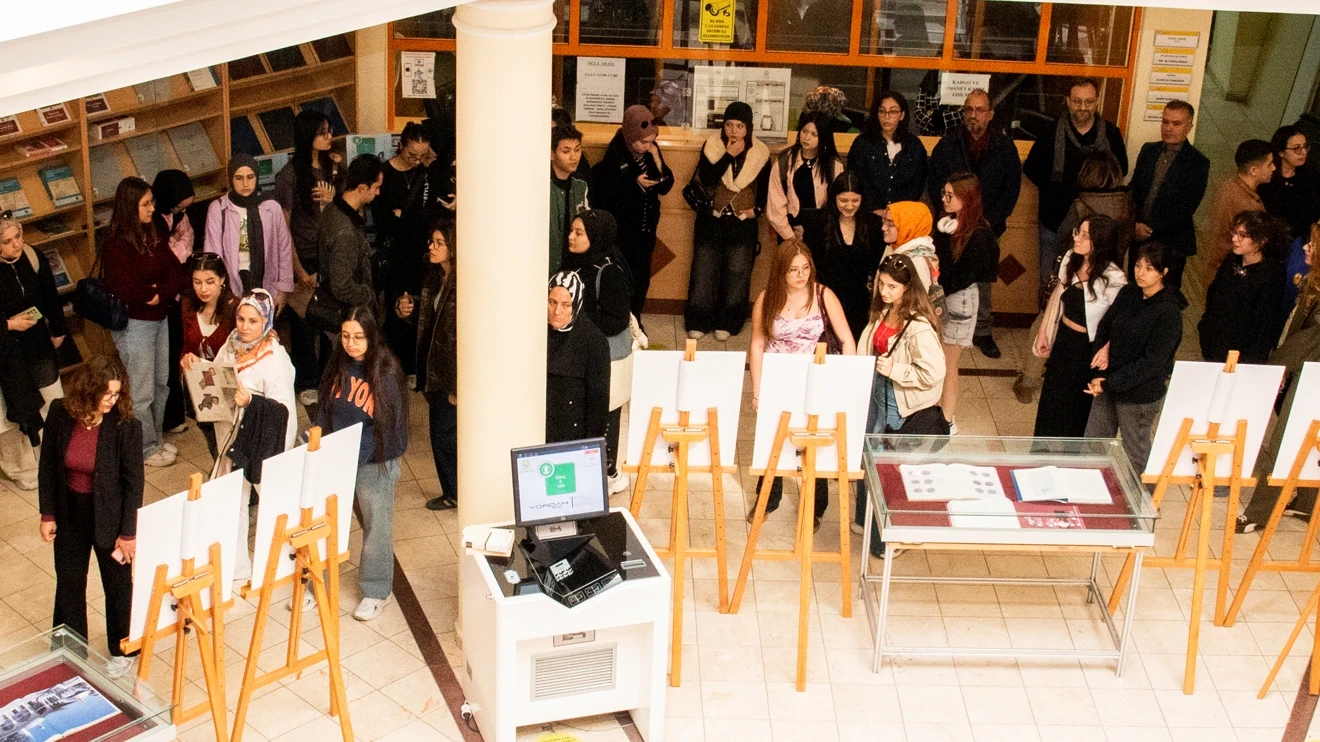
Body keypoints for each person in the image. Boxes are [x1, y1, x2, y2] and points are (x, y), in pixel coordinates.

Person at [39, 355, 142, 678]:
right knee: (69, 580)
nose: (113, 400)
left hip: (110, 514)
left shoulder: (126, 425)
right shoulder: (60, 412)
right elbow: (47, 467)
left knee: (117, 584)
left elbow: (133, 482)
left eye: (117, 394)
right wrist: (48, 513)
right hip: (70, 510)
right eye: (107, 394)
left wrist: (128, 533)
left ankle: (124, 649)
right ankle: (70, 650)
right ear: (88, 391)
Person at [748, 240, 856, 530]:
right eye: (793, 269)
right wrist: (757, 389)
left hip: (815, 379)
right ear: (781, 271)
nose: (801, 275)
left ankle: (816, 506)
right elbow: (757, 344)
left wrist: (843, 380)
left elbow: (847, 340)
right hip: (778, 378)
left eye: (805, 268)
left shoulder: (824, 295)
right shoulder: (766, 298)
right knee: (774, 440)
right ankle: (768, 498)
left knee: (813, 441)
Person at [1015, 152, 1130, 405]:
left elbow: (1064, 236)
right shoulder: (1126, 203)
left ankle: (1028, 381)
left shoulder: (1081, 205)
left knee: (1046, 323)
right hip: (1107, 276)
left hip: (1077, 272)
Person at [853, 252, 948, 555]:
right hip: (876, 392)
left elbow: (935, 372)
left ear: (907, 288)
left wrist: (896, 370)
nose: (884, 291)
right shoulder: (885, 311)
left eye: (892, 286)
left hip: (897, 401)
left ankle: (881, 542)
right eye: (882, 284)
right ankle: (862, 521)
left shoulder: (918, 325)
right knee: (866, 458)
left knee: (885, 469)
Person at [317, 307, 409, 621]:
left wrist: (348, 459)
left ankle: (375, 591)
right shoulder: (337, 363)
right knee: (328, 523)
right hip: (337, 456)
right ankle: (320, 583)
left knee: (376, 528)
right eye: (345, 336)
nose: (352, 343)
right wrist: (323, 444)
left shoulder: (387, 372)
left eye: (358, 337)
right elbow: (324, 407)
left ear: (371, 336)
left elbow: (385, 427)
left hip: (374, 460)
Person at [927, 89, 1023, 360]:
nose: (973, 115)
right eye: (969, 109)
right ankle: (942, 326)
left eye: (979, 110)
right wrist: (949, 216)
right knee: (947, 275)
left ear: (990, 114)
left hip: (987, 228)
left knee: (982, 281)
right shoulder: (948, 144)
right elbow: (935, 182)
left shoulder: (1004, 147)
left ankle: (983, 331)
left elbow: (1011, 188)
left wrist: (991, 221)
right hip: (951, 226)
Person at [210, 289, 296, 586]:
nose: (244, 327)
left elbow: (284, 410)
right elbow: (219, 376)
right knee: (232, 498)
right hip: (232, 435)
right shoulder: (230, 346)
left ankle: (285, 565)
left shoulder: (275, 357)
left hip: (262, 440)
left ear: (266, 321)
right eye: (240, 318)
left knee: (274, 502)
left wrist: (251, 403)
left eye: (252, 321)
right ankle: (235, 567)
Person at [1238, 222, 1320, 533]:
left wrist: (1275, 368)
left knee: (1286, 439)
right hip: (1308, 372)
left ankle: (1258, 513)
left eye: (1312, 245)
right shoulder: (1314, 282)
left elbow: (1307, 340)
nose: (1305, 249)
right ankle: (1306, 504)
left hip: (1312, 380)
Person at [102, 177, 186, 468]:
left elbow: (174, 270)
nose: (152, 208)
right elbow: (123, 286)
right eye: (146, 204)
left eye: (151, 202)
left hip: (159, 316)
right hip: (134, 324)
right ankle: (145, 447)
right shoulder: (115, 244)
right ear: (130, 207)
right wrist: (153, 291)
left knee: (162, 382)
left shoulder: (154, 231)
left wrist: (158, 291)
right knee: (141, 390)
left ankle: (156, 438)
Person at [1024, 78, 1129, 307]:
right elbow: (1031, 169)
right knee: (1052, 278)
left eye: (1089, 102)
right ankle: (1047, 324)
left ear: (1097, 102)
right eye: (1077, 101)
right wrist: (1057, 191)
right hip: (1055, 220)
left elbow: (1122, 169)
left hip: (1099, 229)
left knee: (1097, 285)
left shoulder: (1111, 134)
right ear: (1068, 102)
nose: (1083, 107)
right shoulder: (1050, 132)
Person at [1083, 241, 1183, 479]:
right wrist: (1100, 366)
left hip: (1139, 395)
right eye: (1138, 265)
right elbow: (1105, 326)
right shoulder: (1129, 293)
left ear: (1164, 272)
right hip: (1108, 382)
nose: (1141, 273)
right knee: (1092, 444)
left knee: (1135, 453)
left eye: (1149, 268)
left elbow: (1151, 363)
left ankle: (1144, 502)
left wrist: (1108, 382)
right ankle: (1090, 491)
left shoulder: (1168, 312)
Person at [1032, 214, 1126, 438]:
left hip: (1087, 347)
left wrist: (1107, 349)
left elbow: (1119, 321)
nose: (1077, 239)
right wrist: (1043, 331)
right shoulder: (1071, 259)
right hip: (1064, 339)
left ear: (1099, 242)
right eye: (1078, 232)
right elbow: (1057, 294)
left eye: (1085, 235)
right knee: (1052, 399)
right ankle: (1041, 448)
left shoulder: (1114, 278)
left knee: (1076, 406)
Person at [685, 101, 770, 341]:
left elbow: (764, 189)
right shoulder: (712, 145)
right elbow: (708, 179)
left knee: (738, 272)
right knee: (704, 270)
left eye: (740, 126)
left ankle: (729, 321)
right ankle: (699, 319)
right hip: (711, 219)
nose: (734, 131)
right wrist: (727, 156)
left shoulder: (760, 152)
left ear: (749, 127)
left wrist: (757, 210)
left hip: (742, 221)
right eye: (729, 125)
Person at [274, 109, 342, 404]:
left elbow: (345, 211)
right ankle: (306, 380)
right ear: (307, 136)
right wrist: (298, 270)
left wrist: (333, 199)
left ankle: (329, 376)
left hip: (330, 253)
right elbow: (284, 227)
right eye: (322, 132)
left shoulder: (334, 167)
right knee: (302, 324)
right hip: (302, 255)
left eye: (329, 130)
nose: (329, 137)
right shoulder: (289, 176)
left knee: (331, 319)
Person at [563, 211, 633, 495]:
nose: (571, 237)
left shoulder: (610, 272)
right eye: (571, 230)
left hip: (605, 357)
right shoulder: (573, 265)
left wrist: (578, 320)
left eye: (579, 233)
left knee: (605, 413)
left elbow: (618, 320)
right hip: (581, 356)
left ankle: (608, 473)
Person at [0, 214, 67, 490]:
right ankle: (22, 467)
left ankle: (58, 458)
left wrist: (59, 329)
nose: (16, 245)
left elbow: (50, 295)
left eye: (18, 236)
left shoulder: (32, 256)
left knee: (53, 400)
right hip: (7, 352)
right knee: (14, 411)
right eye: (7, 241)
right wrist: (9, 325)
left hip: (38, 343)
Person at [591, 105, 674, 322]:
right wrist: (634, 184)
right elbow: (605, 197)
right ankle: (623, 322)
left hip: (645, 232)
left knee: (641, 279)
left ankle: (635, 319)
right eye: (643, 142)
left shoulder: (650, 153)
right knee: (621, 279)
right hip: (622, 235)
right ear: (630, 135)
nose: (647, 147)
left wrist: (657, 156)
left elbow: (665, 186)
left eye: (651, 142)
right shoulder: (614, 158)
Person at [933, 173, 998, 430]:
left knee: (949, 364)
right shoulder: (947, 223)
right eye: (944, 194)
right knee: (937, 360)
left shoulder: (979, 234)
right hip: (943, 294)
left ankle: (947, 420)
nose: (944, 200)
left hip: (958, 300)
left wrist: (935, 283)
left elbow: (959, 277)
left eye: (951, 196)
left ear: (967, 199)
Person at [372, 122, 435, 378]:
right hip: (395, 255)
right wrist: (407, 218)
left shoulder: (427, 173)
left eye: (423, 155)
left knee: (420, 308)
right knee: (397, 309)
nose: (418, 161)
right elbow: (383, 220)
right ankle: (393, 366)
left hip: (422, 254)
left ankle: (413, 366)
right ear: (400, 146)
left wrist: (403, 216)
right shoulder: (385, 174)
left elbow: (429, 216)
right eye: (412, 155)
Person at [1127, 100, 1210, 294]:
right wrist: (1135, 224)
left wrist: (1150, 229)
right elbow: (1134, 190)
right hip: (1139, 239)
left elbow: (1186, 207)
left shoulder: (1198, 162)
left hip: (1170, 243)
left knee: (1164, 295)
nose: (1169, 128)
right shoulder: (1148, 150)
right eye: (1165, 122)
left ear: (1189, 127)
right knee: (1134, 290)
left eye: (1176, 123)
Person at [1198, 211, 1288, 365]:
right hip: (1213, 345)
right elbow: (1213, 294)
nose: (1234, 239)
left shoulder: (1269, 276)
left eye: (1242, 235)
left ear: (1261, 241)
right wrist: (1206, 327)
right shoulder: (1232, 259)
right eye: (1235, 233)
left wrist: (1249, 362)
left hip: (1240, 356)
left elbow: (1264, 327)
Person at [801, 172, 884, 338]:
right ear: (833, 198)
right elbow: (809, 261)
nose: (849, 206)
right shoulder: (817, 222)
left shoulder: (873, 224)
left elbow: (877, 264)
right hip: (825, 295)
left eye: (855, 200)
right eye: (843, 200)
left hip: (859, 299)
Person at [204, 154, 294, 303]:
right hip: (232, 287)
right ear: (231, 179)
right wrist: (220, 293)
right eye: (239, 178)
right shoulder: (219, 208)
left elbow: (283, 250)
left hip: (267, 286)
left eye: (250, 177)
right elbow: (213, 254)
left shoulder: (271, 207)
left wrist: (283, 290)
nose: (245, 183)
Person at [414, 221, 458, 511]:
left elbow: (462, 338)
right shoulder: (435, 278)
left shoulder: (461, 285)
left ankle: (454, 492)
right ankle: (452, 489)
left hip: (448, 375)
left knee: (444, 435)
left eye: (439, 243)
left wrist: (458, 385)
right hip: (435, 369)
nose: (432, 246)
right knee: (441, 434)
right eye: (431, 241)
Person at [178, 253, 238, 460]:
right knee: (211, 438)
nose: (203, 289)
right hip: (200, 388)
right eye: (197, 282)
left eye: (210, 282)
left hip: (228, 388)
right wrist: (185, 359)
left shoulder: (235, 308)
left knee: (231, 442)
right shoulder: (187, 305)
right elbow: (187, 346)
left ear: (222, 280)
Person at [152, 169, 196, 438]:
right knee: (163, 364)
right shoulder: (152, 219)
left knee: (176, 356)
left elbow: (187, 239)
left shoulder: (178, 215)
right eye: (180, 203)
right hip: (160, 299)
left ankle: (175, 415)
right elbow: (164, 254)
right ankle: (163, 421)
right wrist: (176, 252)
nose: (184, 208)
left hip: (177, 295)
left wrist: (176, 251)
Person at [545, 271, 610, 444]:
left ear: (577, 304)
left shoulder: (593, 341)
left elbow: (598, 402)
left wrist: (590, 448)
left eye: (566, 305)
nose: (557, 311)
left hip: (572, 437)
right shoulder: (537, 333)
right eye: (552, 302)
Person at [318, 154, 385, 318]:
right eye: (376, 187)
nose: (378, 193)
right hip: (349, 316)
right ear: (362, 188)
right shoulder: (345, 232)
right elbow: (342, 287)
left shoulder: (333, 208)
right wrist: (368, 295)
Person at [1203, 139, 1273, 287]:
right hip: (1228, 276)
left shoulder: (1228, 186)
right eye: (1269, 164)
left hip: (1213, 268)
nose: (1274, 168)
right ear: (1253, 171)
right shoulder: (1248, 206)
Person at [847, 91, 928, 216]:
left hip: (902, 215)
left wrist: (896, 211)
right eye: (882, 111)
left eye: (893, 112)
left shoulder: (914, 145)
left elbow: (917, 183)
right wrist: (875, 209)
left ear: (902, 115)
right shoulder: (862, 143)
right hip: (868, 214)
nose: (887, 116)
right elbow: (856, 178)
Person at [766, 111, 842, 242]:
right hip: (790, 229)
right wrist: (790, 237)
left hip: (823, 232)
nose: (807, 137)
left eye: (814, 134)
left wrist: (817, 232)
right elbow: (775, 205)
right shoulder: (784, 161)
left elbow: (837, 205)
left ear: (823, 137)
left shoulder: (834, 165)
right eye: (804, 131)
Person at [549, 124, 590, 276]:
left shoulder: (581, 186)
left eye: (577, 150)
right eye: (566, 151)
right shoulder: (541, 187)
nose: (574, 157)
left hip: (572, 266)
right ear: (552, 154)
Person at [880, 201, 937, 290]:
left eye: (890, 224)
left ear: (909, 226)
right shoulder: (895, 247)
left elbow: (917, 301)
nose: (883, 228)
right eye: (884, 221)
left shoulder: (917, 260)